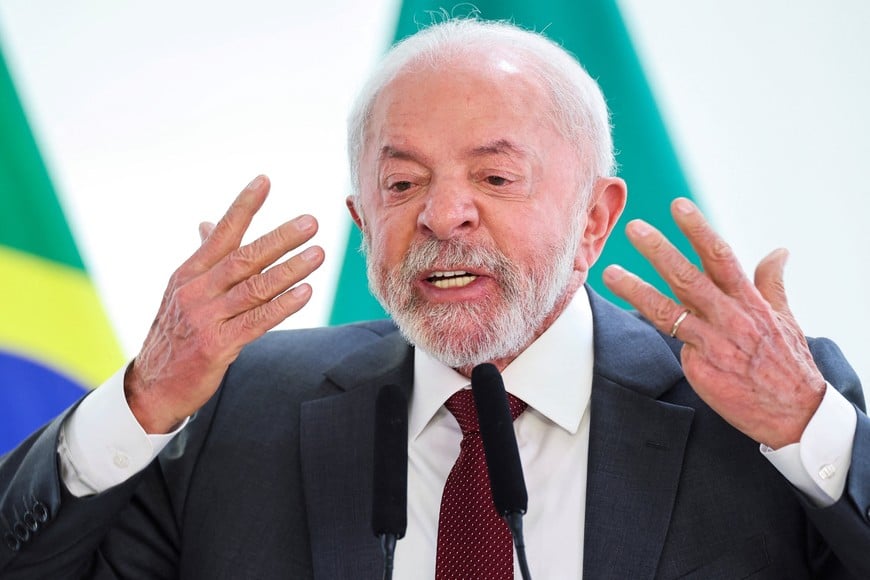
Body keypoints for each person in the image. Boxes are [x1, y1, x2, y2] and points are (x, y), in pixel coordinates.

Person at [1, 18, 868, 579]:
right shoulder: (240, 408)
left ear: (595, 219)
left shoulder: (761, 412)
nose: (442, 215)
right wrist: (142, 400)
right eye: (402, 181)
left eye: (494, 175)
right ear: (361, 219)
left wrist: (807, 427)